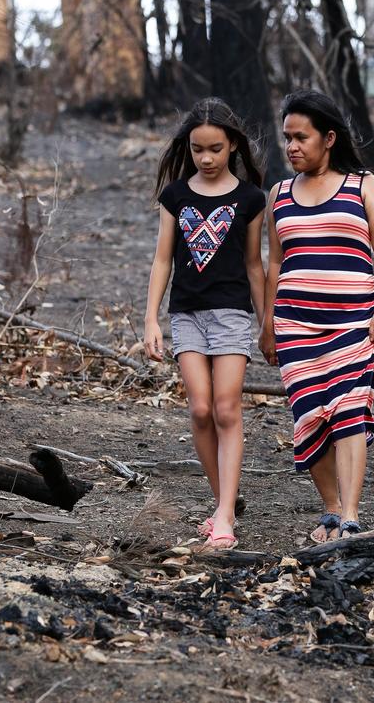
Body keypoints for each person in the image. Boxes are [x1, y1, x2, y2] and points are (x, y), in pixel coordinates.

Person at [259, 90, 374, 541]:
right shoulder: (279, 194)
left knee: (350, 409)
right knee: (310, 416)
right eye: (287, 138)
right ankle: (332, 510)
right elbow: (276, 263)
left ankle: (352, 517)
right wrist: (268, 325)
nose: (292, 146)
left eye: (302, 137)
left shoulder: (362, 185)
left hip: (355, 321)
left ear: (329, 138)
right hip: (295, 324)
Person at [144, 98, 266, 549]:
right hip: (186, 315)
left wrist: (266, 321)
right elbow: (162, 260)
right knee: (199, 409)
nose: (207, 158)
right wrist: (151, 319)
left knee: (226, 409)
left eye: (215, 148)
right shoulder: (176, 196)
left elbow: (255, 264)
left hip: (233, 314)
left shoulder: (251, 199)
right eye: (198, 149)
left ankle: (223, 515)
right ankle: (224, 505)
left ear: (232, 145)